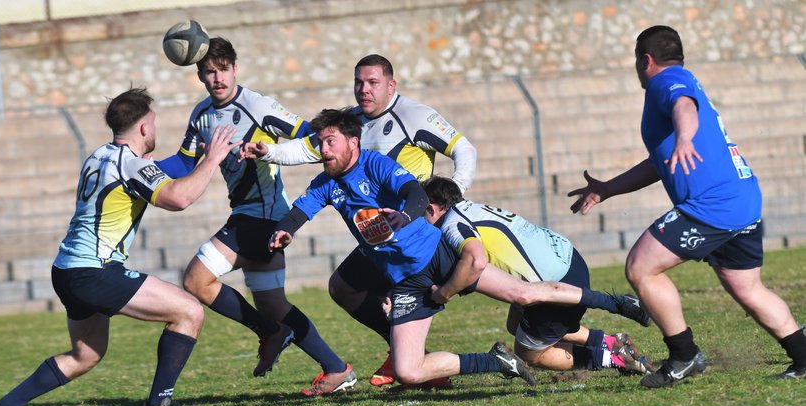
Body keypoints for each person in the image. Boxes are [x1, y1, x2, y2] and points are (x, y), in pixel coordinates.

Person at [268, 108, 652, 388]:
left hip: (439, 257)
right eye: (319, 143)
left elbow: (412, 191)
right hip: (408, 282)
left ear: (353, 141)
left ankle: (617, 304)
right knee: (408, 371)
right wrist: (284, 231)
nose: (323, 148)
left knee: (523, 295)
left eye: (329, 140)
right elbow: (302, 210)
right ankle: (493, 361)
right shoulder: (324, 183)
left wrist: (406, 217)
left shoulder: (376, 165)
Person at [0, 88, 239, 406]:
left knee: (85, 355)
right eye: (154, 122)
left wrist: (197, 149)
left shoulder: (100, 157)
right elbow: (178, 199)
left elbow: (166, 169)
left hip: (66, 270)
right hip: (95, 272)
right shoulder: (130, 165)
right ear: (145, 128)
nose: (155, 129)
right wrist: (212, 160)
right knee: (188, 312)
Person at [568, 25, 806, 386]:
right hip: (741, 198)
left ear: (645, 60)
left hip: (713, 206)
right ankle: (803, 356)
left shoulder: (668, 83)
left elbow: (685, 108)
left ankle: (684, 355)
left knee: (641, 268)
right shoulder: (683, 78)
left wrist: (684, 137)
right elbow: (659, 162)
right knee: (748, 288)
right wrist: (608, 189)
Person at [244, 54, 477, 388]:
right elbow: (305, 149)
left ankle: (564, 333)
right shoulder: (347, 123)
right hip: (379, 235)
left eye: (372, 83)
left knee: (491, 281)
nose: (363, 90)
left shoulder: (416, 116)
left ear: (391, 85)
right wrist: (270, 153)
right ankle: (402, 352)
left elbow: (464, 149)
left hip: (421, 228)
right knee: (344, 287)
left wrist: (454, 196)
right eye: (358, 82)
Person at [158, 37, 354, 396]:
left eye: (222, 70)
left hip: (262, 217)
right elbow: (184, 162)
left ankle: (271, 332)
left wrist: (272, 152)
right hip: (248, 217)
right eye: (208, 72)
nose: (216, 78)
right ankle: (336, 367)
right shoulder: (201, 114)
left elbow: (311, 137)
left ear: (235, 68)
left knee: (196, 280)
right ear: (200, 75)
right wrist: (142, 169)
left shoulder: (259, 106)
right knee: (273, 304)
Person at [423, 175, 652, 375]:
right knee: (517, 326)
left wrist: (445, 293)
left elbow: (475, 260)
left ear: (432, 207)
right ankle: (610, 342)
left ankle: (614, 358)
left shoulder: (452, 224)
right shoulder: (472, 207)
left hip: (554, 284)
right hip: (570, 258)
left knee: (530, 355)